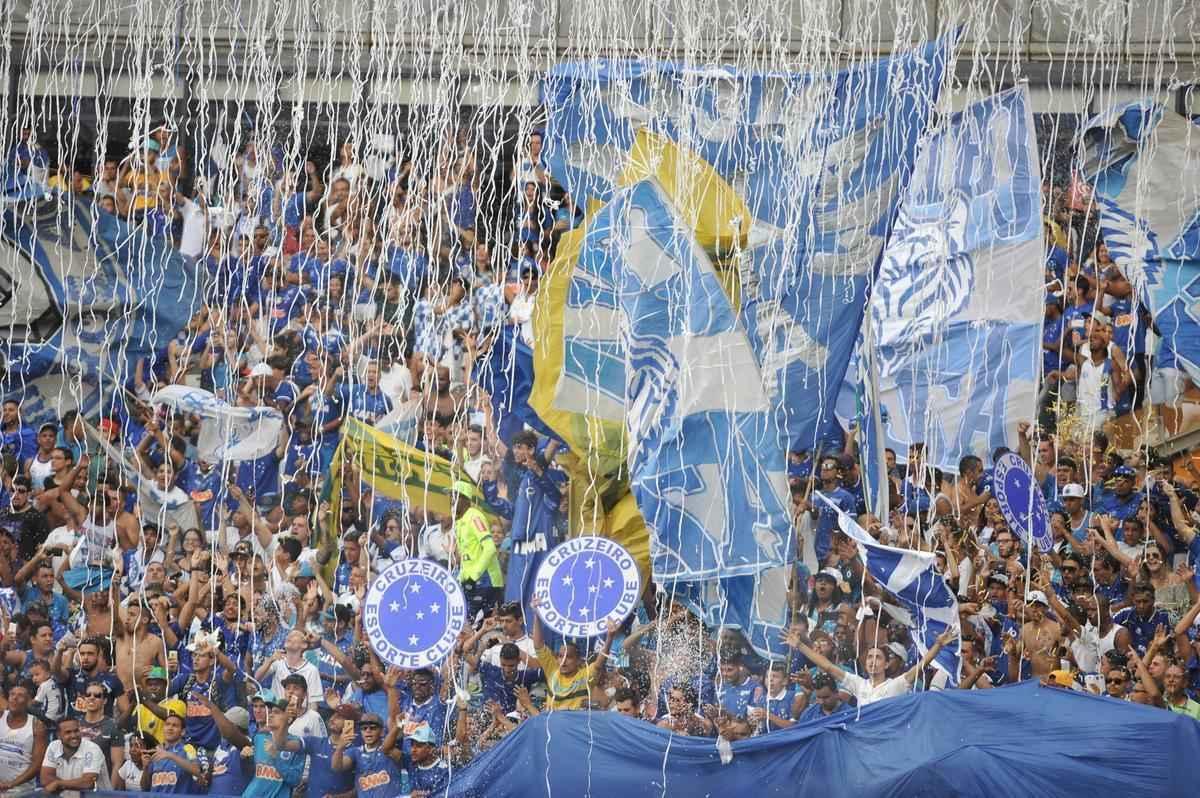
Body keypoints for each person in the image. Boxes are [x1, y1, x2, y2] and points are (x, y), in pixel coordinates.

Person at [788, 626, 957, 706]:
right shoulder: (859, 683)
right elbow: (828, 666)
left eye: (878, 657)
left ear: (886, 664)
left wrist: (938, 645)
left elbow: (919, 667)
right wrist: (800, 646)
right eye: (869, 657)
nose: (872, 661)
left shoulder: (895, 685)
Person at [531, 603, 619, 711]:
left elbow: (599, 663)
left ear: (578, 661)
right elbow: (538, 645)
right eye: (560, 656)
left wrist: (610, 637)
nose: (563, 660)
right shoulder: (552, 670)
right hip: (552, 725)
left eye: (568, 657)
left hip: (574, 725)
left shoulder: (585, 676)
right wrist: (537, 615)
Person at [241, 692, 306, 798]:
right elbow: (250, 774)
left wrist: (276, 758)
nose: (270, 715)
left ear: (288, 718)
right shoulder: (259, 738)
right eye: (270, 711)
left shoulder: (296, 744)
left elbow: (295, 780)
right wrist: (244, 759)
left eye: (276, 712)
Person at [330, 711, 406, 797]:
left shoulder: (390, 750)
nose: (368, 731)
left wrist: (399, 724)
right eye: (364, 728)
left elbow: (398, 753)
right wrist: (340, 747)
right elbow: (337, 767)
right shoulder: (355, 752)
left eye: (373, 728)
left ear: (382, 732)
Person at [40, 716, 112, 793]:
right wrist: (72, 784)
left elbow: (88, 782)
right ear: (58, 735)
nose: (74, 735)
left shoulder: (92, 749)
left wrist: (58, 783)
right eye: (68, 732)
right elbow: (45, 779)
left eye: (76, 731)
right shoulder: (53, 746)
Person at [0, 682, 48, 795]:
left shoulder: (37, 726)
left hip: (21, 788)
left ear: (29, 702)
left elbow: (36, 765)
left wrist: (11, 784)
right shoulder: (1, 716)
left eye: (20, 695)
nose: (15, 698)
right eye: (12, 694)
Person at [139, 711, 203, 793]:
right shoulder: (156, 751)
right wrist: (145, 768)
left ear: (183, 732)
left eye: (175, 725)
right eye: (167, 724)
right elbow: (144, 788)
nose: (170, 728)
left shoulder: (188, 748)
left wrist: (171, 756)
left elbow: (197, 771)